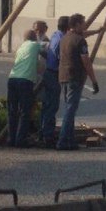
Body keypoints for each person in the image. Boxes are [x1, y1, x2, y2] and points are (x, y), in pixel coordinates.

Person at [57, 13, 99, 150]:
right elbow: (86, 61)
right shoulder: (80, 41)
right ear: (76, 25)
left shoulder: (65, 38)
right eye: (83, 23)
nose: (85, 25)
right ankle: (63, 141)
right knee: (70, 109)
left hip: (63, 76)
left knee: (69, 108)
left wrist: (98, 31)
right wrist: (94, 81)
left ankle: (70, 140)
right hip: (74, 77)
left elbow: (84, 34)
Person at [7, 30, 43, 147]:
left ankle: (11, 139)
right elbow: (47, 49)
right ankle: (20, 140)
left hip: (12, 78)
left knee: (12, 111)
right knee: (24, 111)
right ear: (34, 38)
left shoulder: (20, 47)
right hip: (25, 80)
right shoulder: (35, 45)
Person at [40, 15, 69, 148]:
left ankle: (43, 133)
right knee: (52, 105)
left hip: (48, 72)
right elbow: (62, 59)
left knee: (47, 105)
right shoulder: (62, 40)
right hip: (53, 74)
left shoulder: (55, 35)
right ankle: (48, 136)